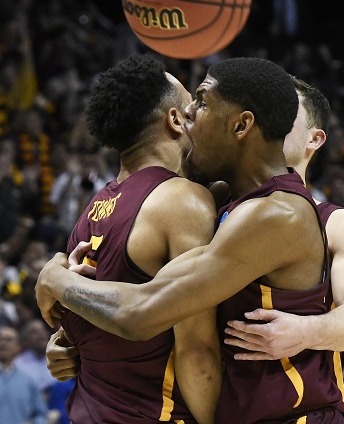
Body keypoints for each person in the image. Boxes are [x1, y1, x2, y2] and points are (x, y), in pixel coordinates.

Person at [37, 57, 344, 422]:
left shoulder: (277, 214)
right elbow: (140, 295)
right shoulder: (221, 199)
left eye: (201, 102)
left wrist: (55, 279)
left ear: (241, 125)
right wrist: (76, 339)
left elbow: (139, 312)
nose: (188, 114)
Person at [40, 53, 223, 423]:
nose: (197, 117)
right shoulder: (182, 200)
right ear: (175, 120)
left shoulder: (93, 208)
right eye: (191, 108)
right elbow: (196, 350)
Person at [223, 77, 344, 360]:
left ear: (314, 139)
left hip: (295, 388)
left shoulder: (342, 224)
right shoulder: (213, 199)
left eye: (284, 110)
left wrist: (306, 330)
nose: (268, 119)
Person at [0, 325, 48, 424]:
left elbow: (41, 414)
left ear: (18, 347)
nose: (3, 343)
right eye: (0, 339)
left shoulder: (28, 380)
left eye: (8, 339)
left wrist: (34, 422)